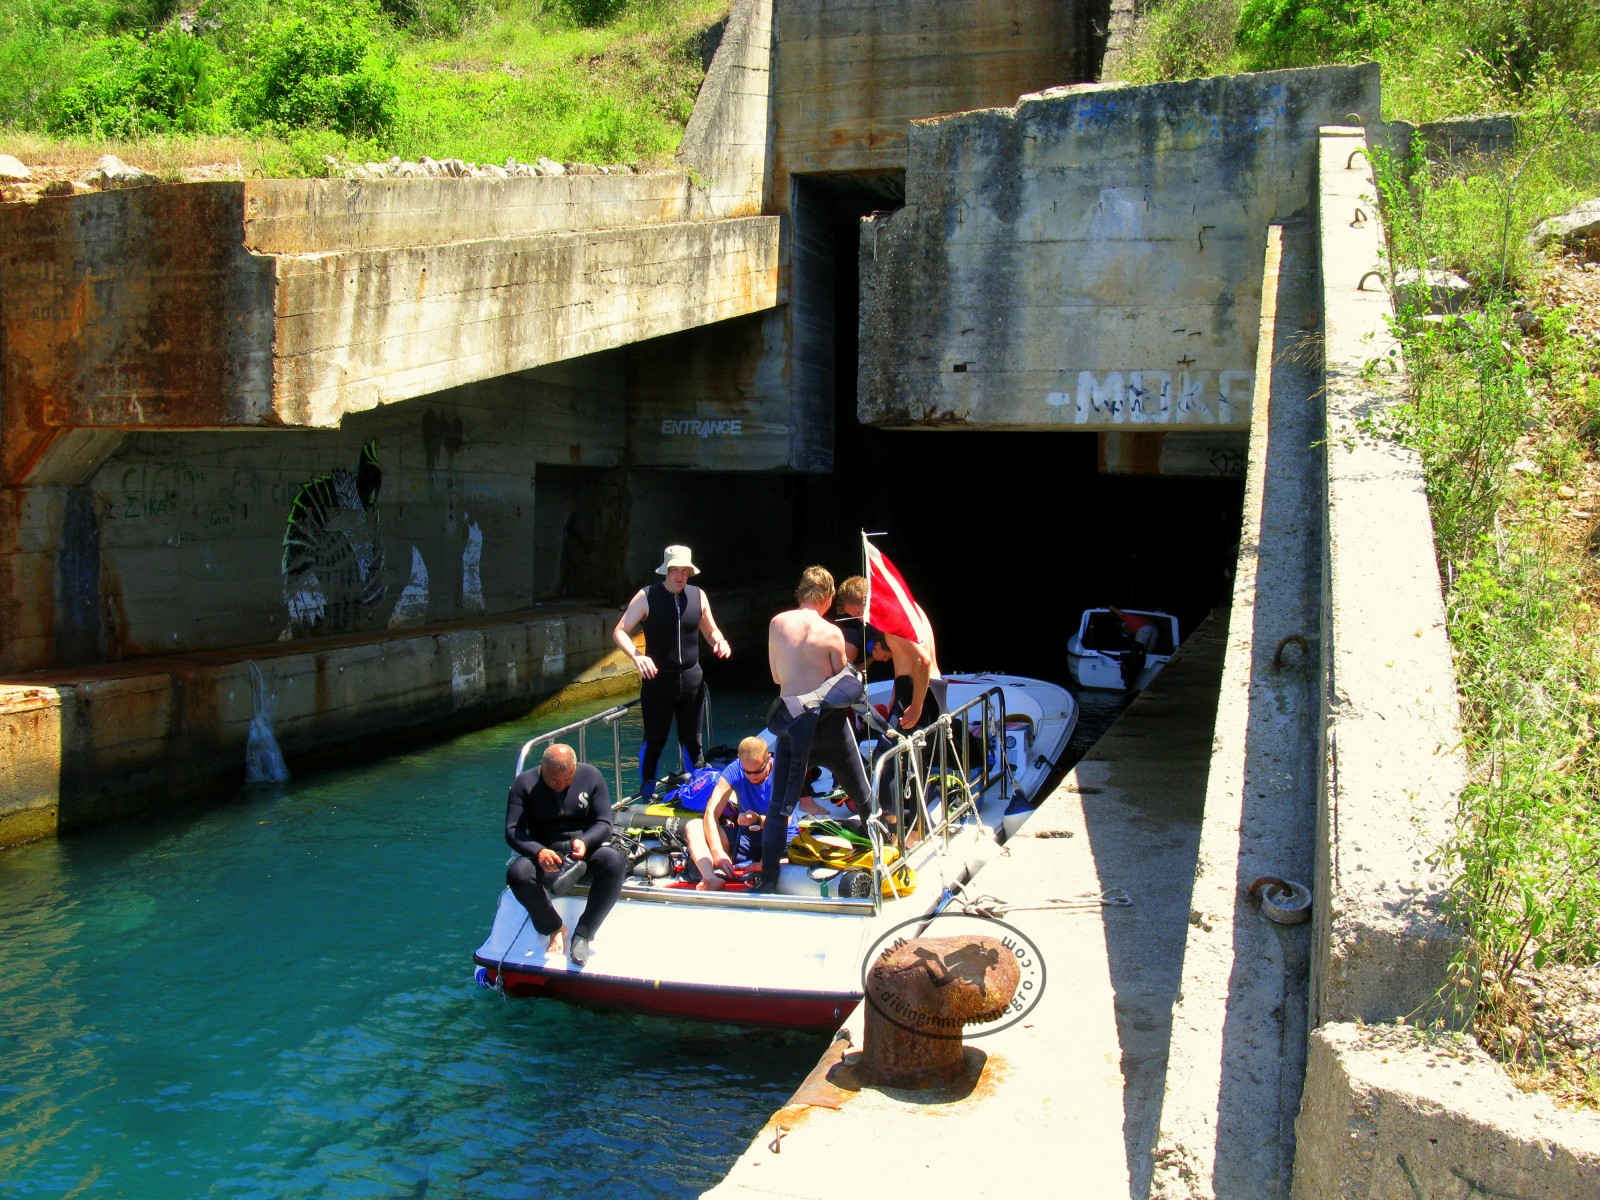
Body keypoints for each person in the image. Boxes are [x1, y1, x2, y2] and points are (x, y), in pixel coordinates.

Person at [763, 566, 875, 889]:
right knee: (864, 798)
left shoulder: (776, 624)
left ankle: (769, 878)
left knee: (779, 808)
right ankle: (880, 858)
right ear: (827, 598)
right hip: (829, 728)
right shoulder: (832, 634)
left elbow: (776, 677)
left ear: (800, 593)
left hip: (792, 726)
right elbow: (839, 687)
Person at [612, 545, 731, 798]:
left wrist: (720, 641)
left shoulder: (698, 595)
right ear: (665, 571)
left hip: (691, 680)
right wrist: (637, 656)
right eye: (674, 570)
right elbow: (619, 631)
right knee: (655, 741)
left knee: (693, 742)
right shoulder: (647, 596)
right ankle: (646, 795)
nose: (680, 576)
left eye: (684, 571)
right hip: (658, 681)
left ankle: (696, 794)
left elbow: (711, 631)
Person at [503, 743, 626, 965]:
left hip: (583, 853)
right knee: (517, 873)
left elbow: (605, 822)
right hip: (546, 854)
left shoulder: (591, 776)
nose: (560, 786)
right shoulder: (524, 784)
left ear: (575, 768)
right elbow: (513, 831)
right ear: (542, 768)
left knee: (615, 861)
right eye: (553, 780)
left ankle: (583, 934)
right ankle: (554, 927)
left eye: (566, 780)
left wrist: (586, 841)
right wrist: (538, 851)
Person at [836, 575, 946, 736]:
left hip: (916, 694)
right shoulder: (912, 609)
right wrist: (897, 694)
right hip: (934, 689)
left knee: (887, 756)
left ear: (864, 598)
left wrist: (916, 707)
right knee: (928, 758)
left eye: (859, 613)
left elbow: (922, 661)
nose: (862, 621)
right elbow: (911, 661)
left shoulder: (891, 619)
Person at [684, 735, 780, 889]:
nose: (752, 776)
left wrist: (757, 819)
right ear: (739, 759)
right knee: (694, 825)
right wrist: (717, 852)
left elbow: (785, 821)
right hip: (747, 839)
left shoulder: (781, 772)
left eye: (758, 771)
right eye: (747, 772)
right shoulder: (735, 769)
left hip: (780, 839)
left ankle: (765, 864)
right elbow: (711, 812)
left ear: (768, 759)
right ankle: (710, 878)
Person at [1109, 605, 1160, 691]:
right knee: (1147, 654)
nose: (1128, 634)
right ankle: (1141, 677)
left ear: (1125, 627)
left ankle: (1130, 682)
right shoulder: (1137, 622)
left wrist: (1110, 609)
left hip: (1145, 630)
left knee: (1137, 654)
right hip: (1155, 630)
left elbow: (1112, 608)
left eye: (1126, 632)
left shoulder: (1126, 618)